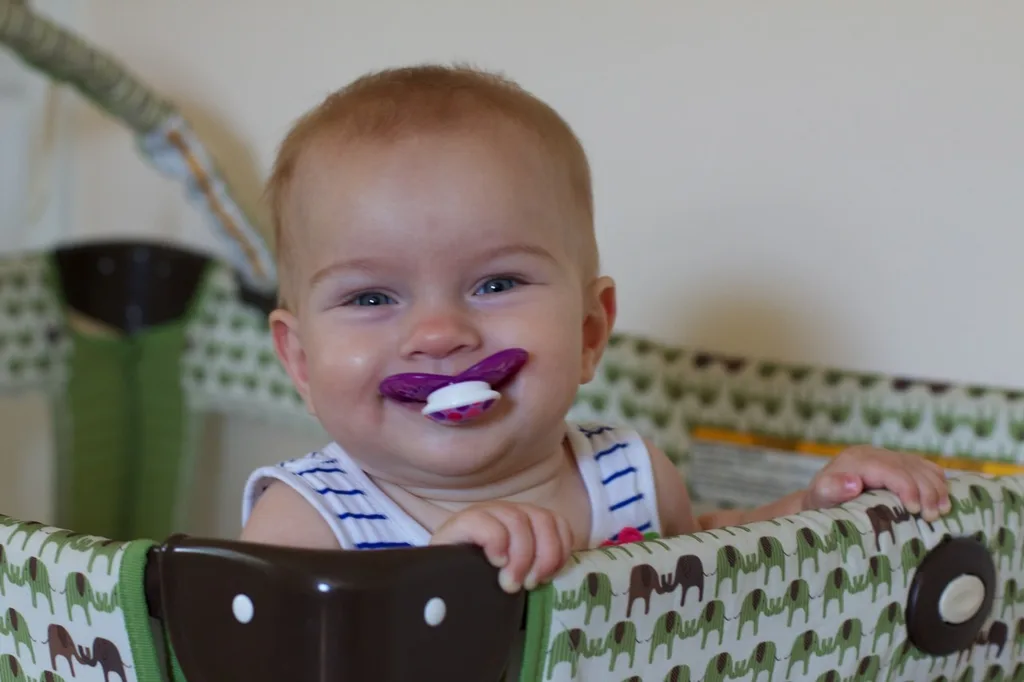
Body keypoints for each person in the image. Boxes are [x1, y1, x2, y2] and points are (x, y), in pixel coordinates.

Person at [239, 63, 951, 594]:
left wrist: (819, 507)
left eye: (496, 284)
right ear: (300, 362)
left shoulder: (629, 477)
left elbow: (710, 559)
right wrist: (433, 590)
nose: (438, 334)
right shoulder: (305, 523)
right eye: (370, 297)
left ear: (588, 331)